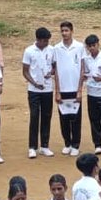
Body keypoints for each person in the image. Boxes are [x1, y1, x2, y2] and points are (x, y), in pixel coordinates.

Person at [23, 26, 56, 158]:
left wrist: (51, 72)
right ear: (39, 40)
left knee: (46, 116)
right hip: (34, 90)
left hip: (47, 89)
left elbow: (54, 66)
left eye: (48, 41)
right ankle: (32, 147)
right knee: (35, 116)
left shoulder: (52, 50)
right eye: (45, 41)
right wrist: (34, 83)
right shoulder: (29, 51)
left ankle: (44, 146)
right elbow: (25, 71)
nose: (47, 43)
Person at [54, 20, 84, 155]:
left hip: (75, 88)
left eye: (66, 30)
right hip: (63, 89)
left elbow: (82, 68)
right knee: (64, 118)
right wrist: (57, 91)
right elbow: (56, 70)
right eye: (62, 31)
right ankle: (67, 143)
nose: (64, 33)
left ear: (72, 31)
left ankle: (76, 145)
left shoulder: (80, 47)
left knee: (76, 118)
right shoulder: (56, 48)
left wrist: (79, 90)